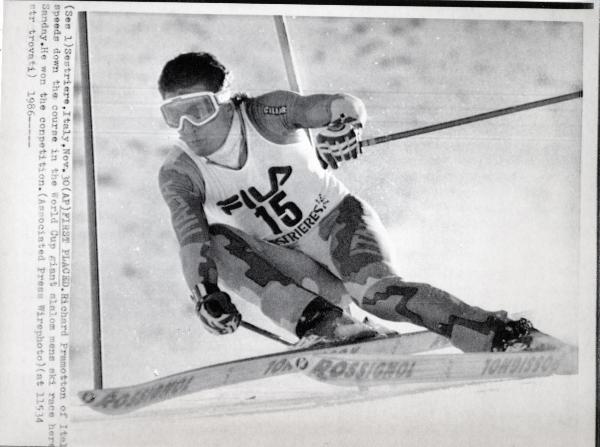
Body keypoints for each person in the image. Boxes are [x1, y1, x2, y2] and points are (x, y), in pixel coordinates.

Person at [157, 51, 534, 352]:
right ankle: (334, 329)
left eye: (199, 109)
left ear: (223, 101)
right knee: (216, 242)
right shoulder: (180, 171)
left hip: (339, 226)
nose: (187, 127)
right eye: (173, 116)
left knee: (377, 296)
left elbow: (341, 104)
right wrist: (205, 296)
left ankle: (500, 334)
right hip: (293, 264)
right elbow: (190, 237)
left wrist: (343, 127)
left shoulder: (265, 114)